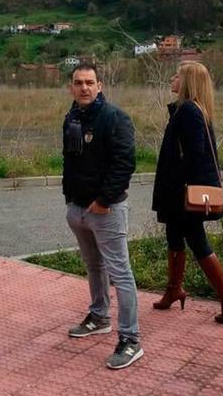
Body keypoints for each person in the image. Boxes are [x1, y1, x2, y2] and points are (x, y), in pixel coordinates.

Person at [62, 64, 143, 370]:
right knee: (93, 266)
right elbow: (70, 162)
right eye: (78, 83)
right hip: (77, 208)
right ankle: (99, 317)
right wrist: (70, 199)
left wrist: (104, 201)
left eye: (89, 82)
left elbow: (124, 163)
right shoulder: (71, 117)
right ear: (71, 87)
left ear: (100, 85)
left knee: (120, 273)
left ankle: (131, 339)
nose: (84, 88)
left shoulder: (114, 118)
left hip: (105, 209)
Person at [151, 61, 223, 323]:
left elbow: (196, 153)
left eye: (177, 75)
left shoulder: (189, 111)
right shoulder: (190, 109)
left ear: (188, 81)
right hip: (178, 191)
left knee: (196, 240)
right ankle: (174, 289)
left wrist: (179, 184)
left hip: (182, 192)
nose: (173, 78)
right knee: (174, 236)